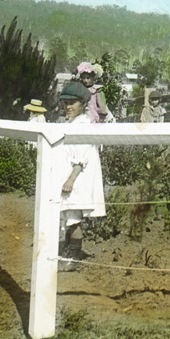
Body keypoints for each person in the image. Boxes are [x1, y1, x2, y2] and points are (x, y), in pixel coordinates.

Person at [51, 82, 107, 265]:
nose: (68, 107)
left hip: (75, 180)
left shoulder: (83, 125)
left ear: (83, 104)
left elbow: (81, 157)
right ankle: (66, 253)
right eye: (65, 103)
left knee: (73, 218)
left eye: (72, 103)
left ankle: (74, 257)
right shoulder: (71, 123)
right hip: (67, 178)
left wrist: (71, 179)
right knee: (66, 216)